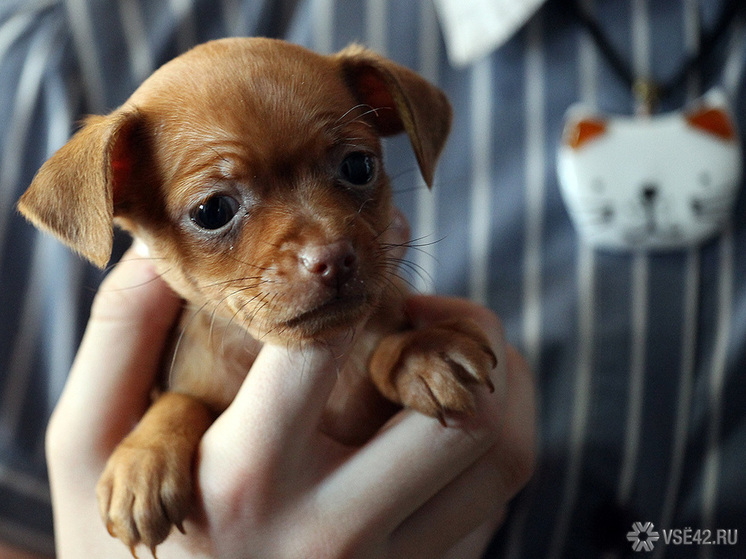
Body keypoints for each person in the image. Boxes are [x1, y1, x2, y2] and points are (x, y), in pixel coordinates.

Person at [0, 1, 744, 558]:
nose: (326, 242)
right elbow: (177, 408)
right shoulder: (61, 49)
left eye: (354, 169)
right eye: (216, 209)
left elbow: (385, 345)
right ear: (124, 200)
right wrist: (156, 437)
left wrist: (405, 357)